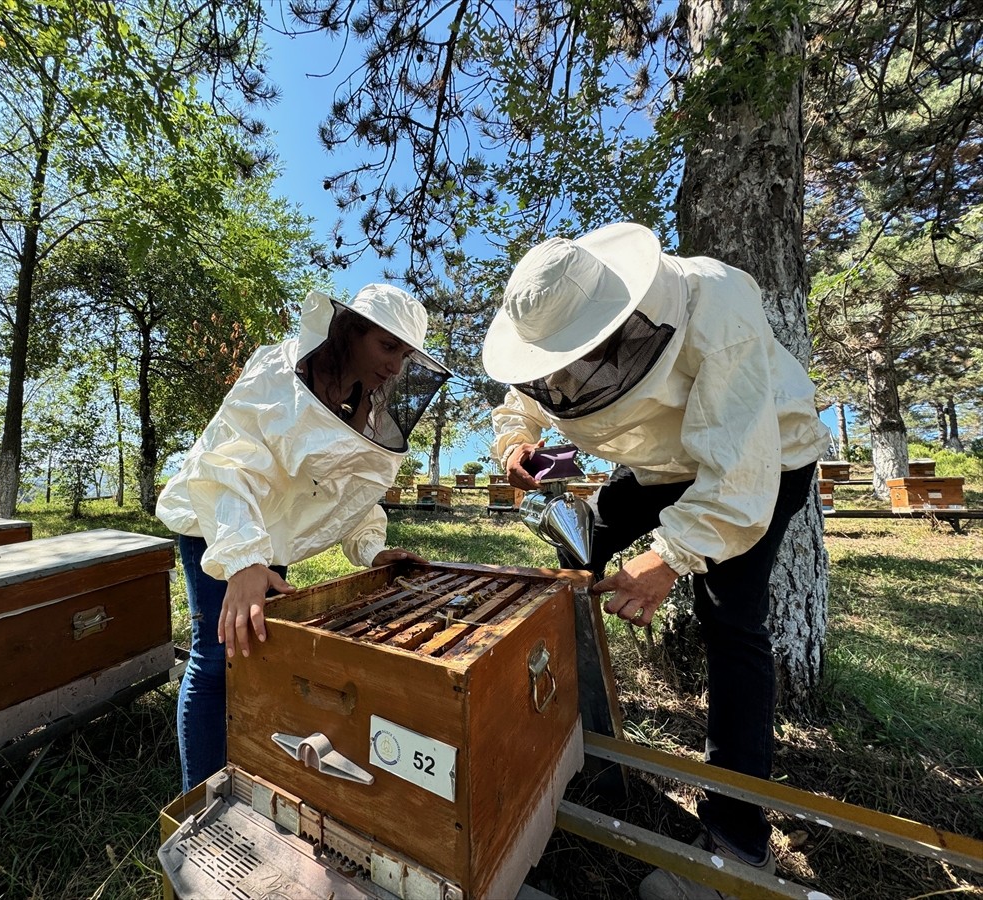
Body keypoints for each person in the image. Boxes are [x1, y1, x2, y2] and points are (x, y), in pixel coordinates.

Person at [483, 223, 829, 899]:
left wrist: (668, 558)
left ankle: (737, 849)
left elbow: (737, 473)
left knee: (731, 625)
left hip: (762, 458)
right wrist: (515, 442)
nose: (565, 369)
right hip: (658, 463)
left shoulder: (715, 302)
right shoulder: (556, 322)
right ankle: (566, 728)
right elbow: (525, 393)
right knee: (576, 555)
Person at [156, 283, 450, 792]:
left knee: (258, 654)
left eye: (406, 354)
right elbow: (229, 463)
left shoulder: (366, 405)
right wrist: (245, 559)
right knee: (216, 656)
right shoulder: (277, 371)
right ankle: (198, 800)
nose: (397, 367)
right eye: (388, 346)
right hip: (219, 523)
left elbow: (347, 492)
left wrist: (372, 549)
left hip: (269, 542)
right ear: (350, 332)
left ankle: (249, 772)